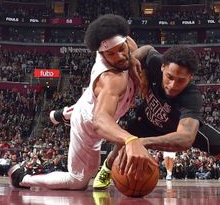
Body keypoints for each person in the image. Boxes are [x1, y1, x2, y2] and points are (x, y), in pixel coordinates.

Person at [92, 46, 220, 192]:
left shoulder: (191, 97)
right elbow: (146, 49)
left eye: (181, 80)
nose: (173, 85)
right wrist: (135, 63)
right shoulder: (156, 62)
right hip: (147, 120)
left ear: (191, 78)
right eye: (170, 77)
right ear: (162, 67)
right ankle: (107, 169)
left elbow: (184, 139)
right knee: (121, 140)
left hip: (180, 128)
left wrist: (139, 143)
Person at [9, 14, 148, 190]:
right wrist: (130, 140)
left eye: (122, 49)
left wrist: (134, 57)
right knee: (78, 181)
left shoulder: (123, 41)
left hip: (91, 100)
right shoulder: (111, 80)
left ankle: (64, 114)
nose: (120, 56)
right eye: (111, 54)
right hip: (89, 124)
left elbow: (134, 48)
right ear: (101, 53)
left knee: (91, 98)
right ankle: (22, 177)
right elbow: (101, 122)